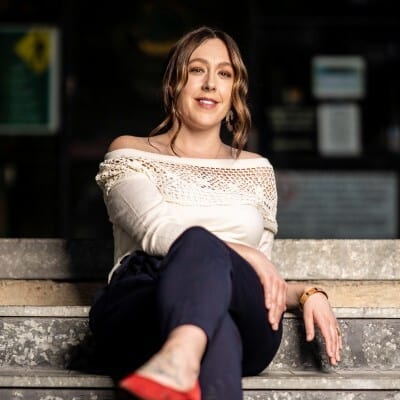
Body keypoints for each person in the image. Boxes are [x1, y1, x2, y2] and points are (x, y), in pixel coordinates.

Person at [90, 25, 342, 400]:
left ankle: (180, 357)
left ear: (234, 91)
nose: (210, 83)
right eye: (196, 70)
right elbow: (158, 232)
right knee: (217, 325)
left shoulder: (256, 169)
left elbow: (263, 279)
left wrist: (307, 292)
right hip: (144, 302)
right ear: (174, 83)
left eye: (224, 74)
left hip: (246, 309)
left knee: (215, 295)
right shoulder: (131, 152)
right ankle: (186, 351)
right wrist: (241, 250)